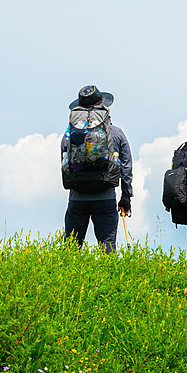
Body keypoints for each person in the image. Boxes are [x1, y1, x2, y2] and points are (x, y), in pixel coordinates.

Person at [61, 85, 133, 253]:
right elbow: (127, 168)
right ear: (104, 107)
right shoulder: (116, 133)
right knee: (107, 248)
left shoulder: (69, 135)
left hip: (77, 199)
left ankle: (68, 279)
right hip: (105, 197)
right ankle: (109, 278)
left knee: (71, 250)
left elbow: (65, 164)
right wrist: (126, 197)